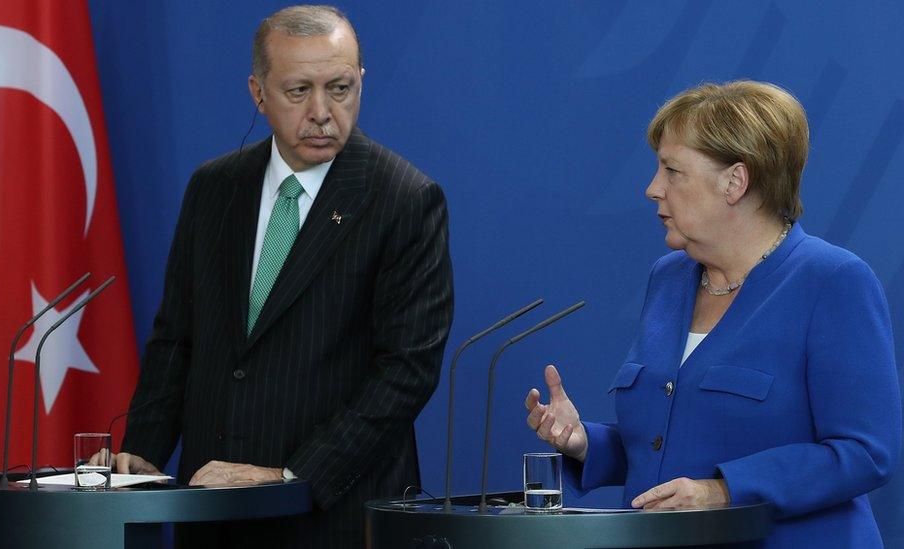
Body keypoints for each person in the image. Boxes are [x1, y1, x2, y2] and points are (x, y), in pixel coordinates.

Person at [114, 5, 453, 547]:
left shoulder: (404, 199)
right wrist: (142, 456)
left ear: (361, 83)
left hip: (337, 518)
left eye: (340, 88)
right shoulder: (213, 188)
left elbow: (405, 372)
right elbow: (176, 340)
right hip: (215, 512)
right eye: (299, 91)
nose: (322, 111)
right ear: (258, 93)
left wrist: (291, 478)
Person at [525, 81, 900, 547]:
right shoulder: (668, 279)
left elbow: (865, 453)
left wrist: (723, 490)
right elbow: (664, 444)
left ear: (734, 182)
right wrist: (584, 442)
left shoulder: (833, 281)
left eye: (672, 170)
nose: (652, 189)